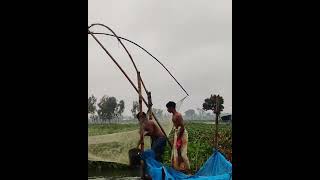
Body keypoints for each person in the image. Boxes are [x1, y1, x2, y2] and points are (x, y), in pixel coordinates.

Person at [166, 101, 191, 173]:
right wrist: (174, 137)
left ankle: (188, 170)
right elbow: (176, 127)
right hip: (177, 133)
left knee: (183, 154)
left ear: (171, 107)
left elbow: (182, 127)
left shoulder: (178, 115)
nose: (167, 110)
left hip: (182, 134)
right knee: (175, 152)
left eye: (168, 108)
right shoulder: (173, 115)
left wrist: (179, 139)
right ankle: (177, 168)